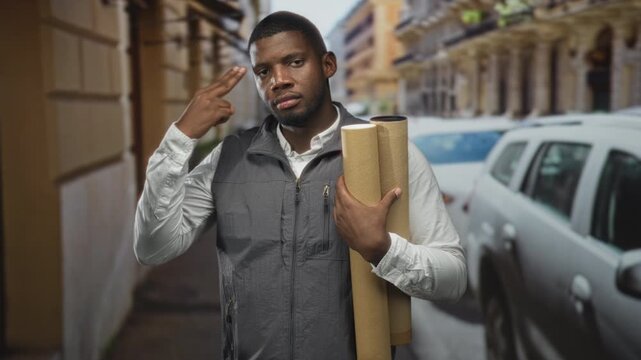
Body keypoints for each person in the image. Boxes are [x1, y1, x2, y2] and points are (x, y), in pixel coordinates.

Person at [134, 11, 466, 360]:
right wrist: (179, 139)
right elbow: (153, 248)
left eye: (294, 62)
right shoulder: (228, 158)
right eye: (264, 72)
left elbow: (454, 278)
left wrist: (381, 249)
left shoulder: (389, 154)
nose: (278, 80)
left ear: (327, 64)